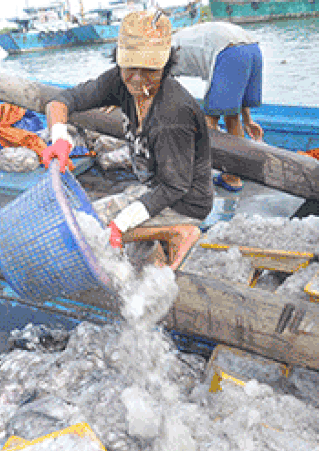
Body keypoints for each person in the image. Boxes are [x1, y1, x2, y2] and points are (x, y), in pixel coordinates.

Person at [41, 10, 213, 270]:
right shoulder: (119, 81)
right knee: (88, 222)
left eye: (150, 71)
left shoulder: (173, 114)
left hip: (185, 202)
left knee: (92, 227)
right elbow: (63, 100)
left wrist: (121, 224)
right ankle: (156, 244)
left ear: (165, 65)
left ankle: (177, 231)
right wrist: (59, 138)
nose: (137, 80)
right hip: (153, 188)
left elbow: (175, 188)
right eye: (130, 68)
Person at [170, 21, 264, 192]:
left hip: (227, 51)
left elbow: (162, 92)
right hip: (252, 49)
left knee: (208, 123)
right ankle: (235, 174)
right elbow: (237, 94)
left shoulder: (166, 52)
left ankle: (202, 178)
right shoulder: (183, 39)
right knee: (232, 117)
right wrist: (248, 120)